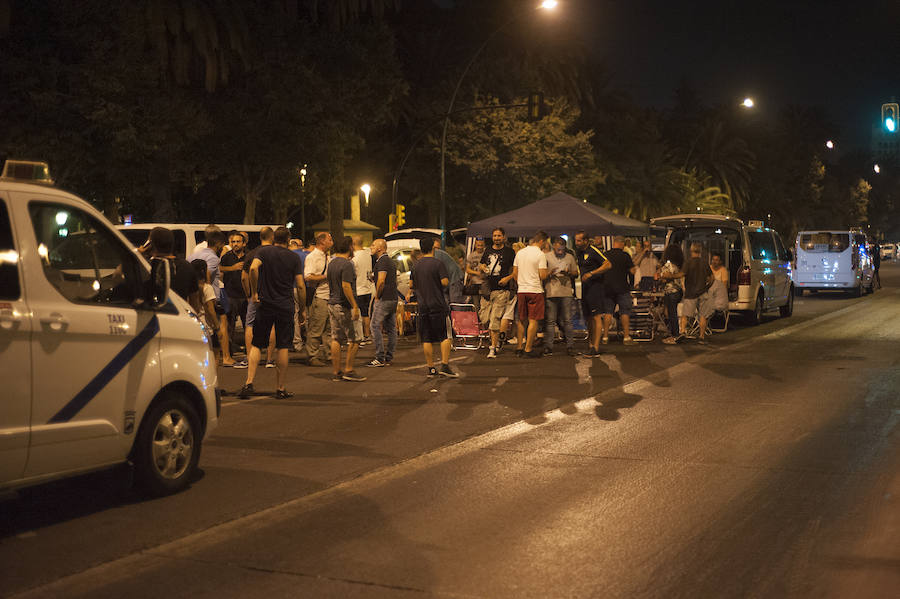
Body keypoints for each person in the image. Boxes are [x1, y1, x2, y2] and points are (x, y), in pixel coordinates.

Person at [239, 226, 305, 399]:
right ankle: (280, 388)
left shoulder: (264, 252)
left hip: (265, 303)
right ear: (288, 239)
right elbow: (300, 285)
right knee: (282, 346)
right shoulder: (293, 257)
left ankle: (249, 382)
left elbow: (253, 269)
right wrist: (303, 309)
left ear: (274, 238)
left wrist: (254, 292)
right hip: (285, 305)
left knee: (256, 344)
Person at [410, 237, 458, 377]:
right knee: (445, 335)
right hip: (438, 304)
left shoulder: (416, 265)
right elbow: (445, 282)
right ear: (433, 247)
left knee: (426, 338)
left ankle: (431, 368)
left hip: (423, 305)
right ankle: (444, 365)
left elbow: (411, 285)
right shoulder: (438, 263)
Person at [327, 236, 366, 382]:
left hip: (332, 303)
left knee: (336, 338)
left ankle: (336, 371)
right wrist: (354, 305)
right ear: (349, 247)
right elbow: (346, 286)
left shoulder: (331, 263)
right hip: (345, 305)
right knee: (355, 338)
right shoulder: (347, 264)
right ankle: (349, 370)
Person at [479, 227, 516, 358]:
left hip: (502, 291)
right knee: (485, 318)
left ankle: (493, 347)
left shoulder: (510, 252)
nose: (496, 238)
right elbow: (481, 264)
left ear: (504, 237)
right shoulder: (488, 250)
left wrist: (507, 278)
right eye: (495, 236)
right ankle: (496, 340)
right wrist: (483, 267)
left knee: (495, 319)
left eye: (499, 236)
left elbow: (515, 270)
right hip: (488, 290)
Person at [242, 227, 276, 368]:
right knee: (272, 325)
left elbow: (244, 277)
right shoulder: (276, 253)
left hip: (255, 295)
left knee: (250, 324)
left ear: (260, 237)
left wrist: (249, 293)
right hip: (272, 294)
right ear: (272, 237)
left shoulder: (252, 254)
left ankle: (250, 357)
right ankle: (269, 359)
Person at [512, 231, 549, 357]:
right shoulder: (540, 254)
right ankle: (528, 349)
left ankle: (519, 347)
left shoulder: (520, 253)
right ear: (541, 241)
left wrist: (522, 282)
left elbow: (515, 274)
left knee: (521, 320)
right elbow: (543, 275)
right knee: (533, 321)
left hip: (522, 290)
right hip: (535, 290)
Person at [575, 231, 612, 357]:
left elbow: (608, 264)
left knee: (596, 317)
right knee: (588, 318)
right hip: (585, 289)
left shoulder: (593, 250)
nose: (576, 243)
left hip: (595, 288)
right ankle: (590, 345)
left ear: (586, 240)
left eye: (579, 240)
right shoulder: (579, 253)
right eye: (576, 240)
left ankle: (596, 347)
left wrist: (592, 273)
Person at [144, 226, 200, 308]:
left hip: (154, 313)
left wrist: (139, 254)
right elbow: (195, 303)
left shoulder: (148, 266)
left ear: (150, 245)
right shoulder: (187, 266)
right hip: (179, 313)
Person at [192, 259, 234, 366]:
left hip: (194, 325)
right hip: (207, 327)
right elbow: (210, 310)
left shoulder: (191, 289)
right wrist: (217, 327)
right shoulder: (207, 288)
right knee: (214, 356)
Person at [543, 236, 579, 356]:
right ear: (554, 246)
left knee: (567, 320)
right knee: (550, 321)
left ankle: (570, 345)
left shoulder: (569, 257)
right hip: (551, 291)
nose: (560, 252)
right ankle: (549, 346)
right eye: (558, 249)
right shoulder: (546, 256)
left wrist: (568, 272)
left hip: (566, 291)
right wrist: (550, 273)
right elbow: (542, 274)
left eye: (562, 249)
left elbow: (576, 273)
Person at [367, 239, 398, 367]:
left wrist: (377, 296)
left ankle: (379, 357)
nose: (371, 247)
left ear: (380, 248)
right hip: (393, 298)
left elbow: (381, 281)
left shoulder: (383, 261)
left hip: (384, 298)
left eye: (373, 245)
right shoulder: (389, 261)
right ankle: (389, 356)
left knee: (374, 325)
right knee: (391, 328)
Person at [304, 232, 333, 366]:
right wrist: (326, 276)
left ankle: (329, 354)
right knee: (316, 327)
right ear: (322, 242)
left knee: (328, 329)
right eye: (330, 240)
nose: (332, 242)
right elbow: (308, 277)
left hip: (328, 296)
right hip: (319, 296)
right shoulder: (313, 257)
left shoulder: (327, 256)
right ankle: (312, 356)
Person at [602, 236, 637, 345]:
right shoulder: (625, 255)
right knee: (624, 312)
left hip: (608, 287)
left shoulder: (605, 255)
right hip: (622, 288)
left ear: (614, 243)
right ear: (622, 244)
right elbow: (632, 271)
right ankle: (626, 337)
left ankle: (605, 337)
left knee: (608, 312)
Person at [220, 230, 249, 366]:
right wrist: (232, 268)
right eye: (233, 242)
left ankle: (250, 354)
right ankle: (228, 354)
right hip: (230, 295)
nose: (235, 244)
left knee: (247, 325)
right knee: (229, 327)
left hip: (245, 296)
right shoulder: (226, 256)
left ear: (244, 243)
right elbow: (220, 268)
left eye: (238, 242)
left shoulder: (249, 256)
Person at [680, 242, 715, 343]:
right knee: (703, 316)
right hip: (703, 292)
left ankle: (682, 332)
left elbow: (681, 274)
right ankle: (701, 336)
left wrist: (670, 276)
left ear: (691, 250)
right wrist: (707, 286)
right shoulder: (704, 263)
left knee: (685, 315)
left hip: (690, 293)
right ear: (700, 251)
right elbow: (712, 278)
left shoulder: (688, 262)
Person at [187, 229, 226, 303]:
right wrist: (209, 293)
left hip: (192, 296)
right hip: (206, 299)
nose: (223, 248)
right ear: (218, 244)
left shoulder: (193, 255)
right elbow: (205, 276)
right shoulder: (213, 258)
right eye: (223, 245)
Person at [659, 244, 685, 344]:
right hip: (678, 291)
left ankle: (675, 335)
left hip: (670, 292)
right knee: (672, 313)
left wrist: (661, 278)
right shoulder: (678, 266)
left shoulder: (668, 265)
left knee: (671, 314)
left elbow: (665, 277)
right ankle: (674, 333)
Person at [351, 235, 374, 345]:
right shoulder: (368, 254)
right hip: (368, 288)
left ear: (353, 244)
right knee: (366, 314)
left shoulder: (354, 257)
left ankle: (360, 337)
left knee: (358, 315)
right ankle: (367, 335)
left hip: (358, 289)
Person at [290, 238, 310, 352]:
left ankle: (297, 342)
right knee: (307, 313)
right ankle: (310, 340)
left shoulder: (289, 255)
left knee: (295, 315)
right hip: (308, 287)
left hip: (293, 287)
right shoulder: (307, 255)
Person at [464, 238, 486, 306]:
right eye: (478, 245)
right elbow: (467, 269)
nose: (480, 247)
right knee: (476, 304)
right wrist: (476, 273)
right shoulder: (471, 256)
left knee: (485, 303)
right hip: (474, 282)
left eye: (481, 245)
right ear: (475, 245)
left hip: (485, 282)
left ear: (484, 245)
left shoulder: (486, 254)